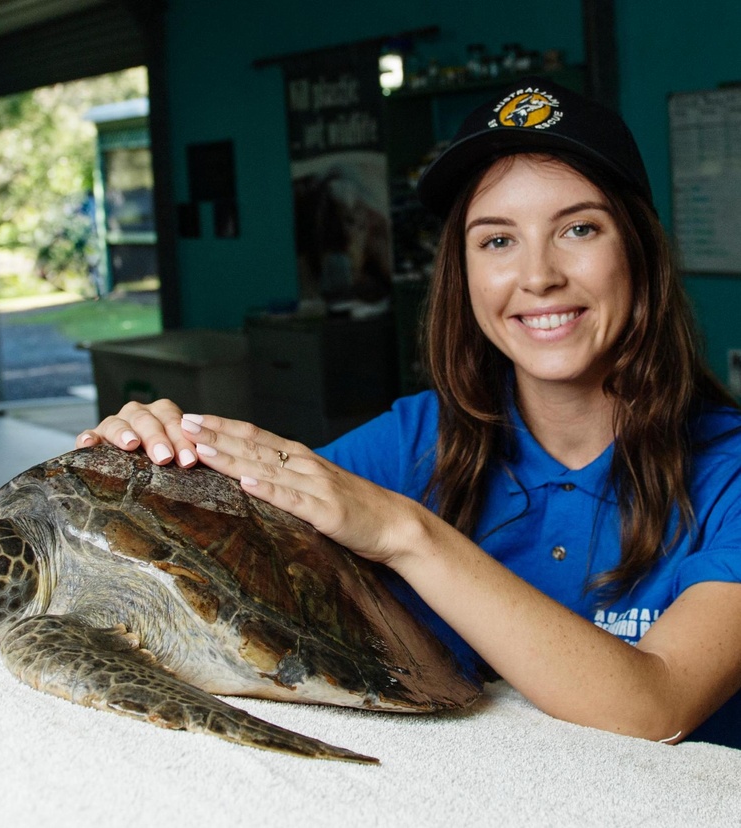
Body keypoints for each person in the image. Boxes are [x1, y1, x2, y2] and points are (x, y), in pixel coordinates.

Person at [76, 77, 741, 748]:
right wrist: (143, 464)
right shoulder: (413, 440)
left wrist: (407, 534)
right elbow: (215, 548)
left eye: (578, 228)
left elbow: (657, 707)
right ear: (464, 272)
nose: (538, 275)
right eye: (497, 240)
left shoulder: (729, 473)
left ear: (639, 252)